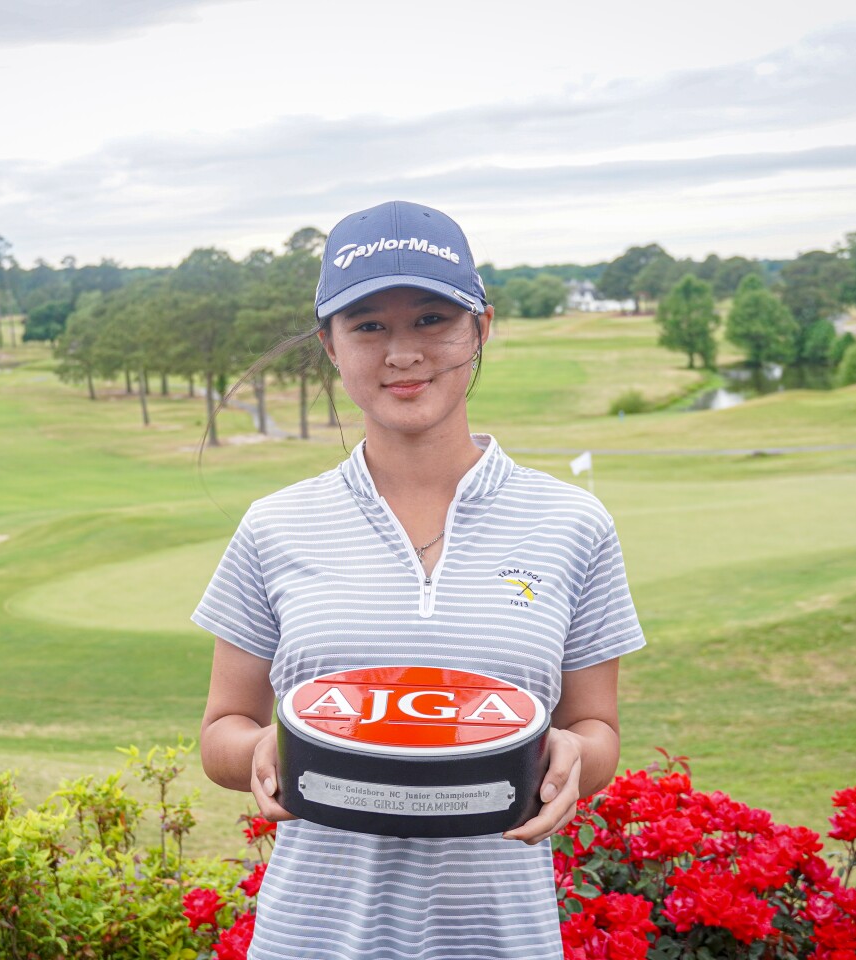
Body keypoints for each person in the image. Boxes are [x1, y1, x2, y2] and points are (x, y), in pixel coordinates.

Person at [194, 200, 646, 960]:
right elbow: (220, 733)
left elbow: (595, 730)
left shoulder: (573, 522)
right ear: (330, 347)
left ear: (482, 330)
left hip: (502, 939)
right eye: (368, 325)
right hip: (312, 937)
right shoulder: (275, 525)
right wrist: (263, 752)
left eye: (432, 318)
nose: (402, 351)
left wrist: (575, 757)